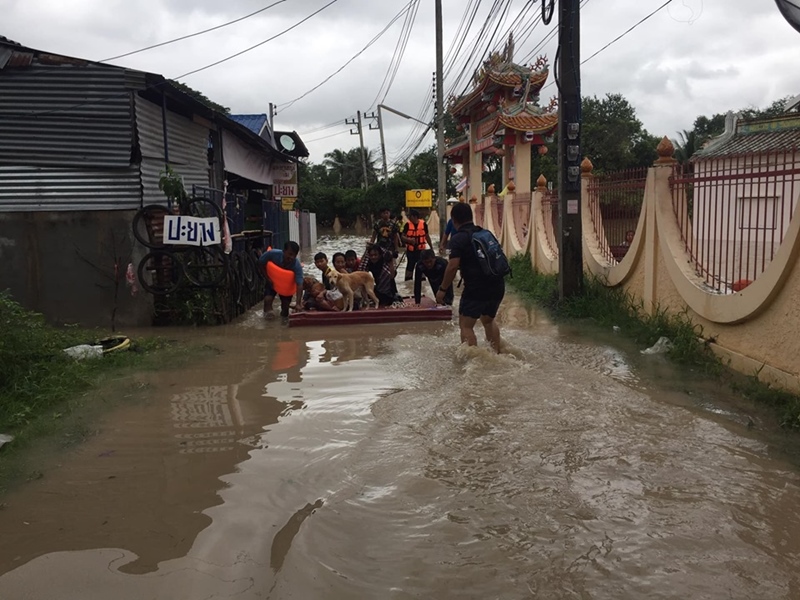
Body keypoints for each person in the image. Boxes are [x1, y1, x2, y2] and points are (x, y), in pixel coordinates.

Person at [436, 202, 504, 352]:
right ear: (471, 217)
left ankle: (473, 360)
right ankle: (497, 354)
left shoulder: (458, 238)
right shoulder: (485, 233)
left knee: (466, 325)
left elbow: (452, 266)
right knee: (488, 321)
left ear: (453, 220)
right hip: (497, 284)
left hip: (476, 289)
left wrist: (442, 289)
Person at [258, 241, 303, 320]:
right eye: (290, 254)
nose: (292, 257)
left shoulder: (296, 266)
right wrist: (267, 278)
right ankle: (268, 324)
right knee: (267, 300)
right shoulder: (272, 254)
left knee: (285, 308)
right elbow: (261, 262)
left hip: (286, 286)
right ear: (284, 251)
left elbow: (299, 284)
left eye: (294, 255)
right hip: (272, 280)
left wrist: (298, 303)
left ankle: (283, 325)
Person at [401, 209, 434, 281]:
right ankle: (408, 283)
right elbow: (402, 237)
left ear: (415, 217)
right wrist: (409, 240)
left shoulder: (423, 224)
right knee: (410, 266)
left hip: (421, 251)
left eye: (410, 216)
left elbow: (427, 237)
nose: (409, 218)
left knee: (422, 267)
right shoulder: (407, 225)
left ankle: (422, 283)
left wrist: (431, 248)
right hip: (411, 251)